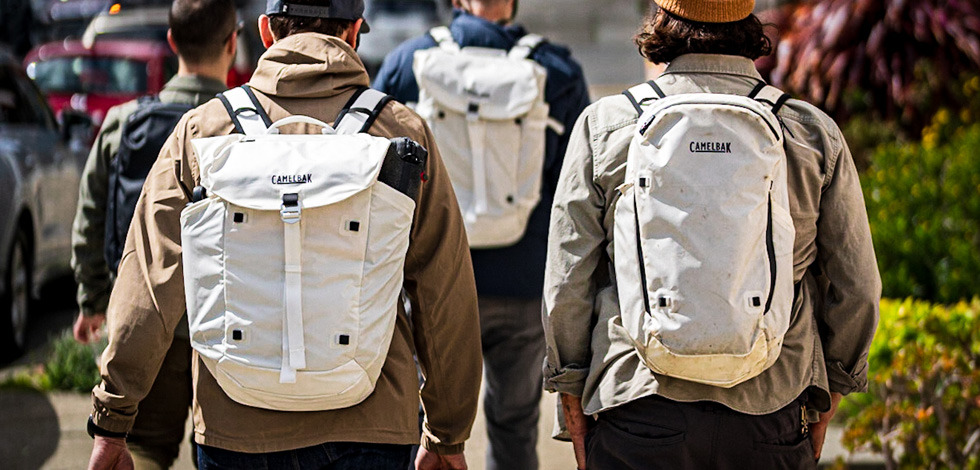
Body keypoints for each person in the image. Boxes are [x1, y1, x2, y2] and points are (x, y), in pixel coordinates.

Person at [84, 1, 482, 469]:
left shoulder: (201, 131)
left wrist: (113, 417)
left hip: (236, 427)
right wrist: (447, 434)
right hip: (371, 423)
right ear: (354, 33)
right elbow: (444, 295)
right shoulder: (400, 132)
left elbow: (150, 284)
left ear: (266, 33)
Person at [542, 1, 881, 469]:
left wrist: (570, 386)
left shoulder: (607, 126)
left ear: (661, 19)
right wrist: (835, 385)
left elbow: (568, 278)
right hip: (772, 407)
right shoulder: (810, 132)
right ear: (748, 19)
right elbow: (857, 285)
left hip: (640, 403)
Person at [374, 2, 589, 469]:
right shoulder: (557, 70)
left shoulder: (406, 64)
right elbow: (574, 194)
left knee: (416, 428)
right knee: (513, 425)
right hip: (522, 282)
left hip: (432, 287)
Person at [71, 0, 238, 467]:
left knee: (144, 448)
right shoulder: (248, 130)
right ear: (232, 42)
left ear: (170, 42)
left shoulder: (123, 122)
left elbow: (91, 217)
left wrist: (93, 302)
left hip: (148, 326)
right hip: (230, 330)